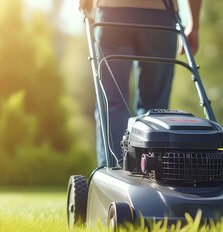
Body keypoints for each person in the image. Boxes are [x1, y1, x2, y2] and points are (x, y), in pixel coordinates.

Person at [78, 0, 202, 167]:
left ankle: (113, 170)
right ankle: (151, 169)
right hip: (161, 14)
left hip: (112, 13)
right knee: (156, 108)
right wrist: (194, 25)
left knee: (111, 103)